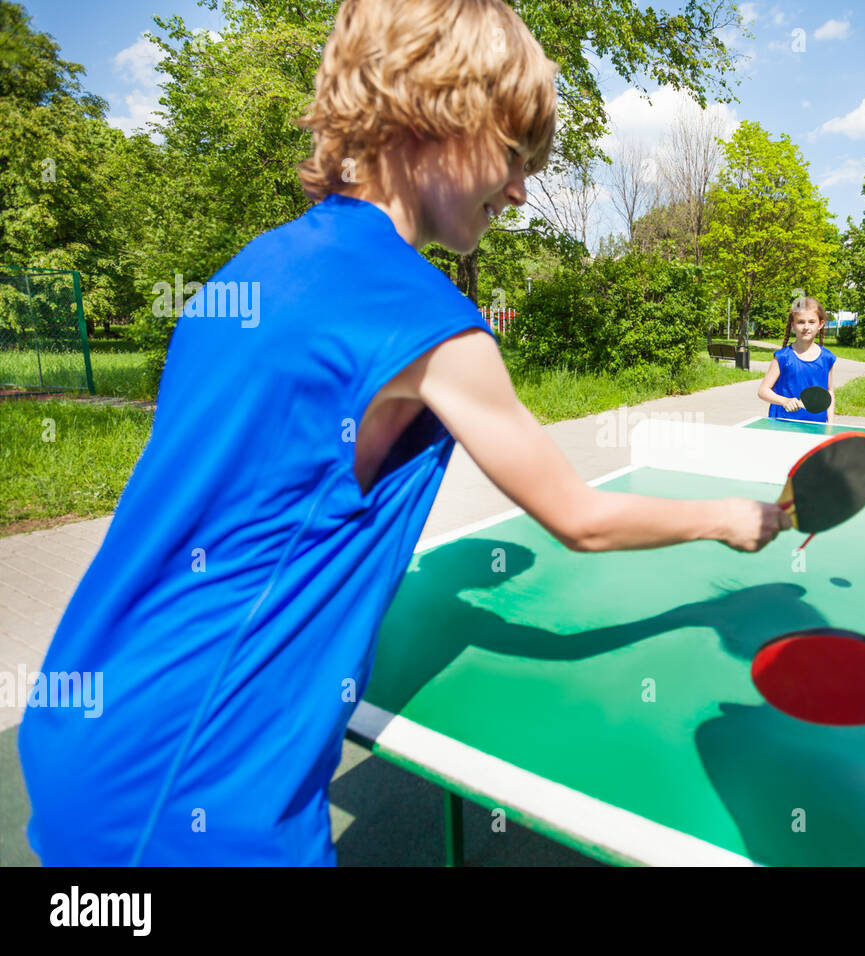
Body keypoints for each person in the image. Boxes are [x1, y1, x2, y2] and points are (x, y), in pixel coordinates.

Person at [17, 0, 789, 866]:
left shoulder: (250, 271)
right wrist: (729, 518)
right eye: (512, 154)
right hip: (201, 779)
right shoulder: (429, 322)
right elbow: (581, 517)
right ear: (439, 115)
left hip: (87, 725)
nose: (523, 189)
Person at [758, 296, 837, 424]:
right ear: (793, 325)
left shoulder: (827, 358)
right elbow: (763, 391)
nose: (806, 327)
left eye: (811, 322)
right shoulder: (783, 357)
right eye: (801, 322)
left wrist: (831, 421)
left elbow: (829, 391)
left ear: (821, 324)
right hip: (783, 423)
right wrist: (784, 401)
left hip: (816, 424)